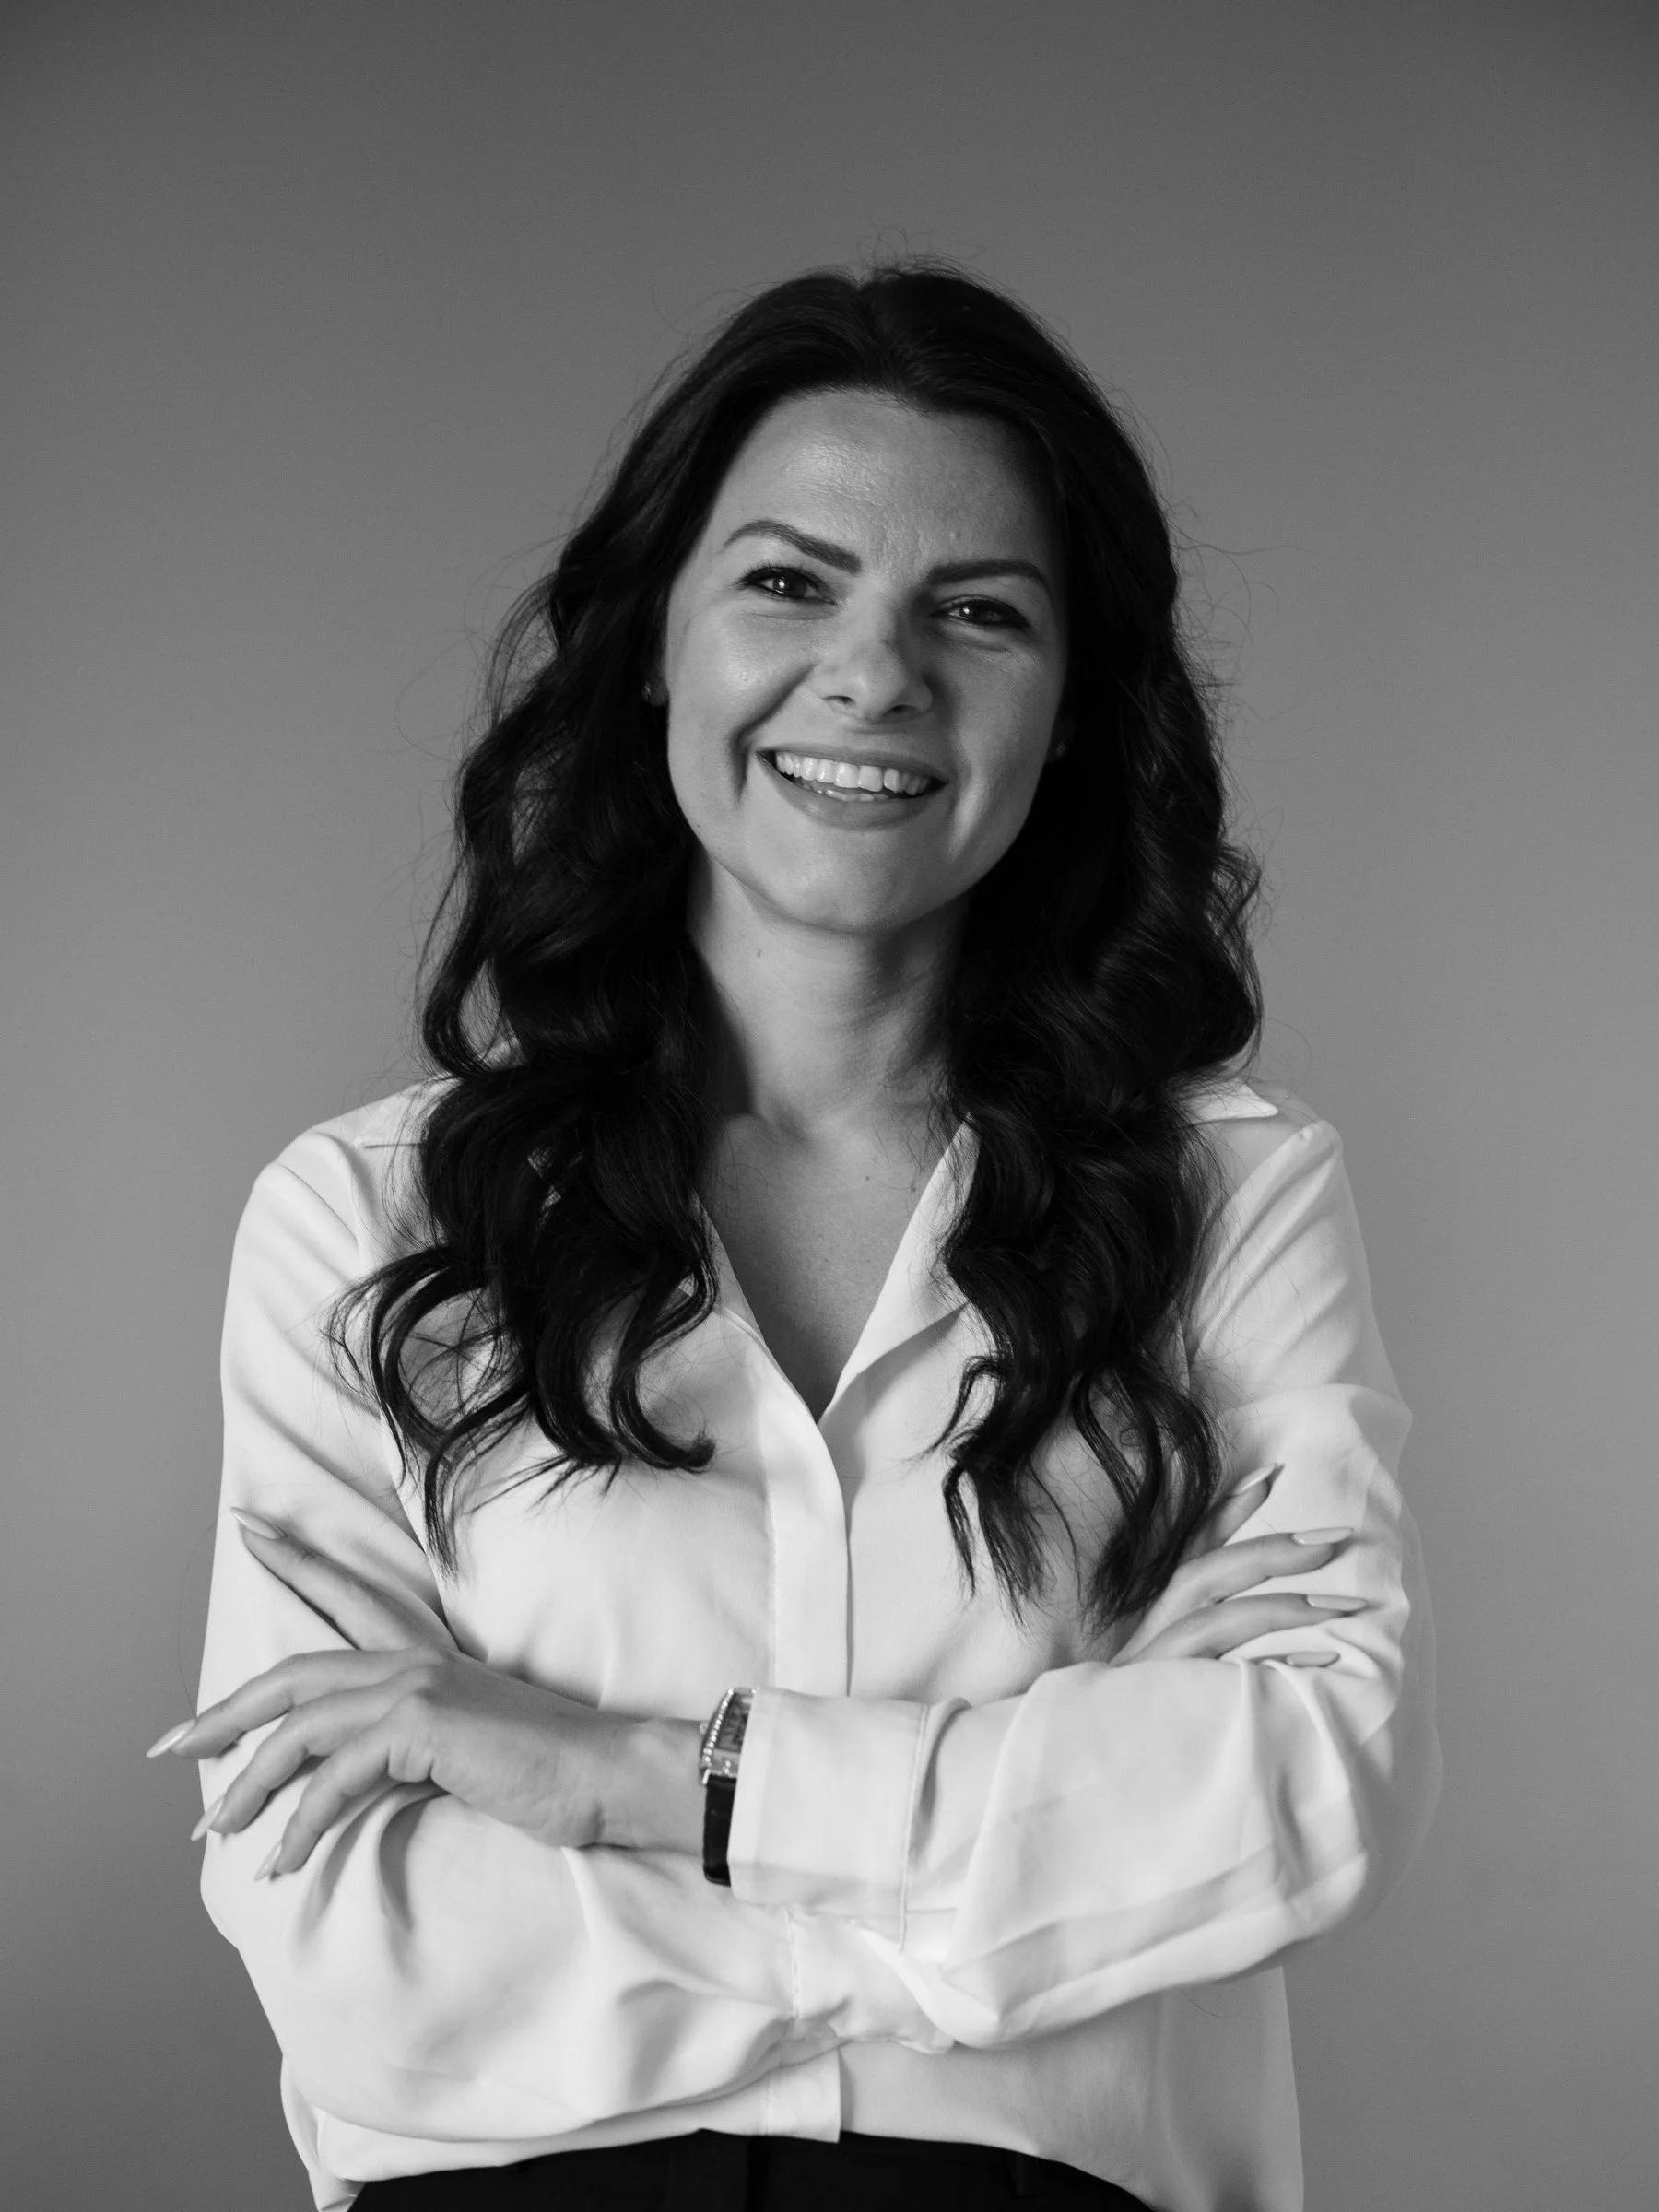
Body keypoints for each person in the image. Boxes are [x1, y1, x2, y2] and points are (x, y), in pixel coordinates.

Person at [150, 263, 1439, 2212]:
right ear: (654, 644)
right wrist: (1039, 1891)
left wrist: (631, 1782)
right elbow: (357, 1953)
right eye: (788, 581)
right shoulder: (364, 1221)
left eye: (979, 611)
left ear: (1078, 706)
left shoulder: (1232, 1203)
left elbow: (1306, 1795)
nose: (875, 674)